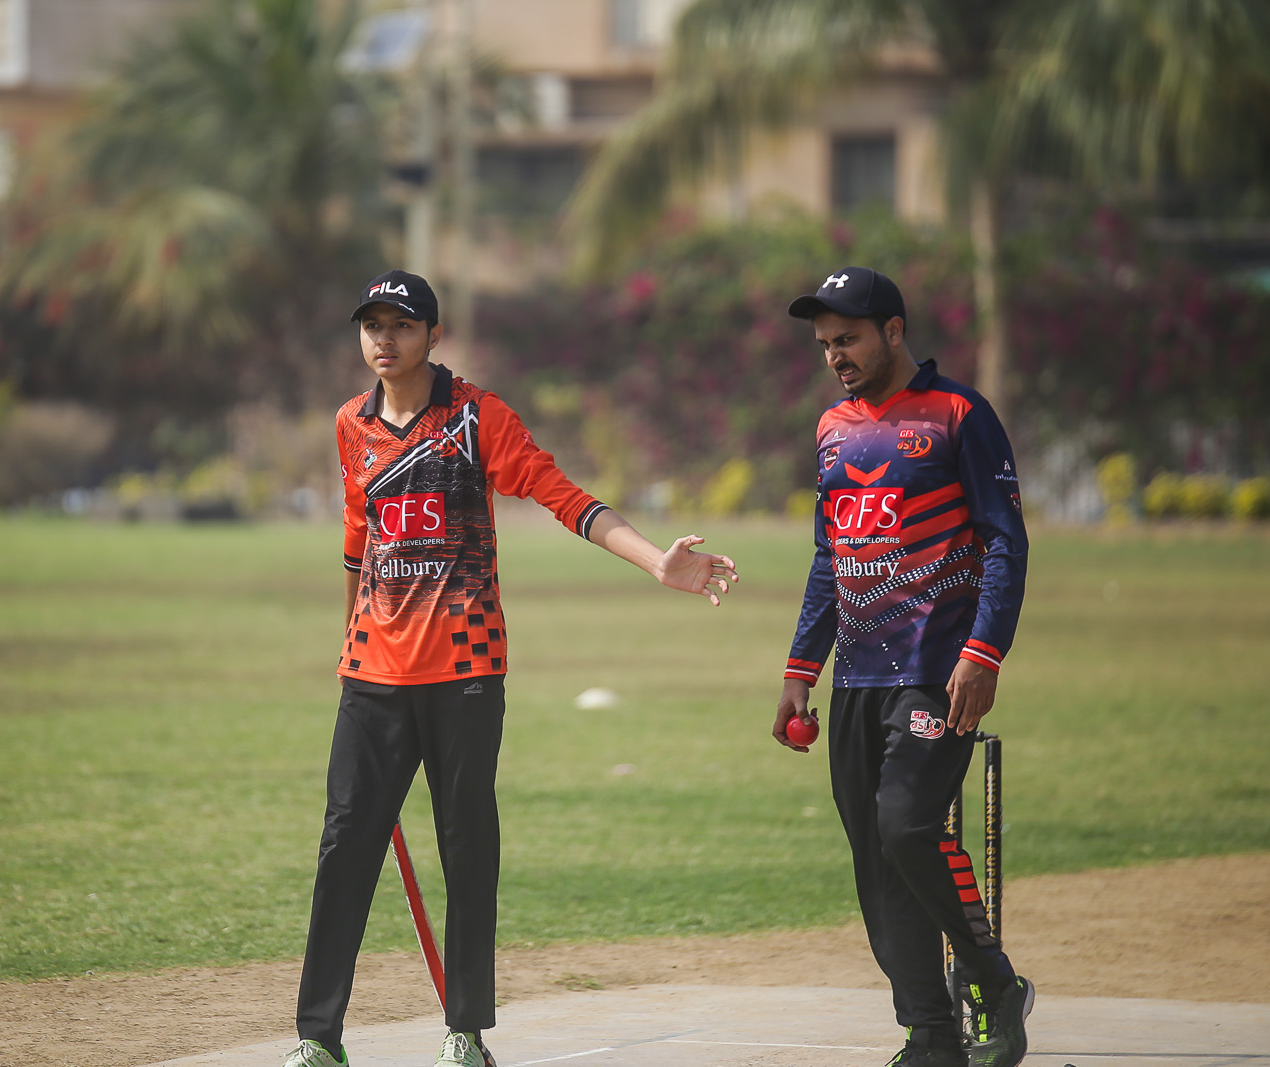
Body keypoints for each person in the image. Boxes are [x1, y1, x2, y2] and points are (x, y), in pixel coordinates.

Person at [286, 270, 738, 1067]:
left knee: (467, 847)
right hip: (373, 675)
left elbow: (563, 496)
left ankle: (464, 1032)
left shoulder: (476, 417)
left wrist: (654, 561)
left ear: (434, 335)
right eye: (372, 324)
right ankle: (318, 1037)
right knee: (343, 847)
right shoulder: (351, 423)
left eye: (401, 324)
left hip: (464, 670)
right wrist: (349, 643)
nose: (384, 338)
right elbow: (360, 538)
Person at [772, 267, 1033, 1067]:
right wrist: (800, 667)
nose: (835, 355)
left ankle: (991, 978)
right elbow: (831, 554)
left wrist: (984, 653)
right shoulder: (832, 427)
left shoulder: (959, 413)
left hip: (937, 670)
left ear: (893, 330)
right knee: (876, 859)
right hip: (857, 674)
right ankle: (929, 1032)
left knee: (906, 826)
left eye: (848, 338)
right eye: (825, 343)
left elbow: (1005, 540)